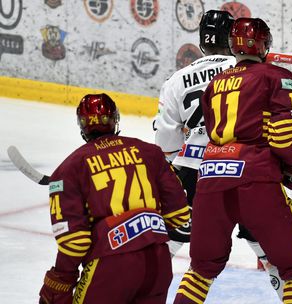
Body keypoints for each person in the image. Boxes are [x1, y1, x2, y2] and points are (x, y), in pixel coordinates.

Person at [173, 17, 292, 304]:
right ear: (264, 44)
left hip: (210, 175)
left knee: (200, 270)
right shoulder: (276, 76)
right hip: (256, 178)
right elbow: (282, 137)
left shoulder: (214, 84)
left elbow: (211, 131)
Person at [153, 10, 286, 298]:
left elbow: (166, 140)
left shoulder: (177, 79)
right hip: (245, 166)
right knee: (274, 254)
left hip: (191, 171)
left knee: (170, 246)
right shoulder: (249, 70)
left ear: (201, 42)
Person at [38, 93, 190, 304]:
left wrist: (59, 280)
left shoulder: (68, 170)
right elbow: (180, 214)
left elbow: (75, 243)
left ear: (82, 126)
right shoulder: (150, 153)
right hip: (158, 263)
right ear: (115, 119)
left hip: (110, 267)